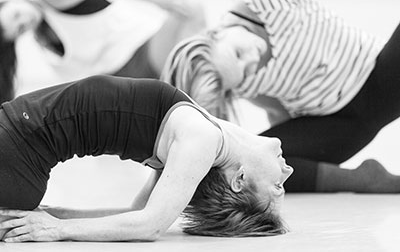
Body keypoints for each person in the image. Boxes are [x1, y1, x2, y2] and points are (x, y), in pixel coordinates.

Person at [162, 0, 400, 193]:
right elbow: (279, 112)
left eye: (238, 53)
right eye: (244, 72)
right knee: (250, 162)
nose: (251, 61)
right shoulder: (241, 82)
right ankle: (363, 180)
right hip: (338, 127)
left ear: (215, 32)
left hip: (378, 79)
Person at [0, 75, 293, 242]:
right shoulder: (201, 135)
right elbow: (134, 214)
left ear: (239, 180)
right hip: (17, 150)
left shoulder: (203, 140)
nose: (289, 171)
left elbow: (149, 225)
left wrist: (56, 226)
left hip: (15, 151)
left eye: (277, 186)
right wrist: (60, 215)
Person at [0, 0, 205, 100]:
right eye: (20, 29)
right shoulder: (44, 29)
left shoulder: (47, 3)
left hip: (128, 79)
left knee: (192, 56)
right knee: (192, 9)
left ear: (11, 0)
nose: (25, 21)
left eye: (17, 14)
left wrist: (155, 0)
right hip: (136, 60)